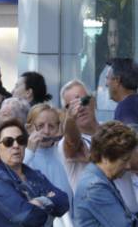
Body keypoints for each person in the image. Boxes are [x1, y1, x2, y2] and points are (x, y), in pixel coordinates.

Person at [59, 79, 138, 211]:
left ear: (93, 101)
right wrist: (71, 119)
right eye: (71, 106)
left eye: (83, 101)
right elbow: (72, 140)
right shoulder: (66, 142)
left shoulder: (113, 128)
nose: (79, 108)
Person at [0, 119, 69, 226]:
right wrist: (50, 202)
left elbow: (64, 201)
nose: (16, 145)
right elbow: (29, 217)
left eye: (21, 140)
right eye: (8, 142)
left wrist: (40, 202)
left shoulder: (35, 174)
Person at [74, 121, 138, 227]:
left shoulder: (99, 177)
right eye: (124, 160)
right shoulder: (95, 187)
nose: (128, 166)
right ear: (105, 157)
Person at [23, 104, 72, 227]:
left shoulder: (61, 152)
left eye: (51, 126)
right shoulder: (23, 156)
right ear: (29, 128)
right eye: (40, 126)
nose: (46, 131)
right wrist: (29, 151)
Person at [108, 58, 138, 124]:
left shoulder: (125, 109)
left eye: (108, 78)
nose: (106, 84)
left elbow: (130, 134)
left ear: (117, 80)